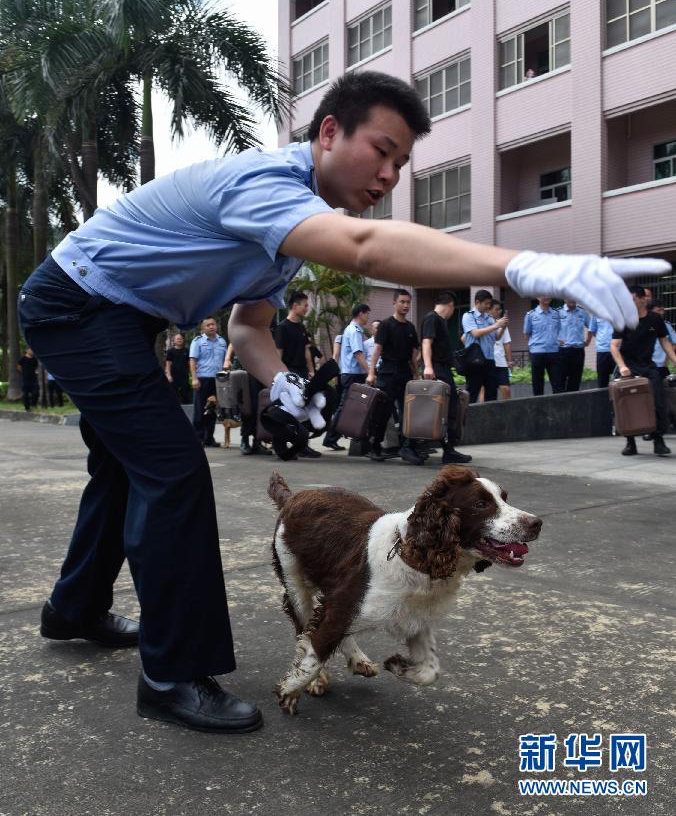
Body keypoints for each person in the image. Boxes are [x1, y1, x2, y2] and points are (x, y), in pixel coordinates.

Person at [17, 69, 666, 735]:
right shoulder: (265, 184)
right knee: (173, 471)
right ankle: (172, 674)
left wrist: (283, 384)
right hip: (80, 306)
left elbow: (250, 326)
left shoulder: (290, 231)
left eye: (401, 162)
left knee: (126, 468)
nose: (388, 174)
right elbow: (363, 247)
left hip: (122, 318)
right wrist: (526, 265)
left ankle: (76, 609)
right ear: (329, 132)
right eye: (381, 151)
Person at [611, 286, 676, 457]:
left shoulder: (655, 319)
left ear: (642, 300)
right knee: (628, 405)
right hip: (628, 367)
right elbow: (614, 346)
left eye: (632, 300)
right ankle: (630, 443)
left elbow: (664, 341)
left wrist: (675, 361)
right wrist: (622, 366)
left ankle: (658, 441)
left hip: (648, 366)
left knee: (658, 403)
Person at [366, 289, 424, 464]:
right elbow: (377, 350)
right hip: (388, 373)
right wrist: (371, 372)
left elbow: (414, 355)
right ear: (395, 303)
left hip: (405, 373)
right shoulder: (386, 325)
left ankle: (407, 447)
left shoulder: (410, 327)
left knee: (409, 412)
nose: (406, 305)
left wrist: (416, 375)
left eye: (408, 302)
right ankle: (375, 446)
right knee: (383, 412)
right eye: (402, 302)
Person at [421, 291, 472, 464]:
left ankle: (448, 449)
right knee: (442, 410)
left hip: (443, 369)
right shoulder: (432, 318)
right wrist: (428, 366)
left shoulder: (440, 321)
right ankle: (445, 449)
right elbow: (426, 342)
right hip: (436, 369)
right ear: (451, 305)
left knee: (450, 409)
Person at [274, 291, 320, 458]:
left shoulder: (301, 327)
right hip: (288, 373)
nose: (307, 308)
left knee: (305, 410)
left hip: (302, 373)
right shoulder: (282, 328)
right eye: (305, 305)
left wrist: (311, 371)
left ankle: (302, 445)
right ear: (295, 306)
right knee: (287, 411)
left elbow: (307, 351)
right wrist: (281, 376)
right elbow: (278, 354)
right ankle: (282, 447)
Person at [323, 302, 370, 450]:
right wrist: (369, 371)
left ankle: (332, 437)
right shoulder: (355, 330)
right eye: (367, 313)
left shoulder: (349, 329)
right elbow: (358, 353)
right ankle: (330, 438)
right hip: (353, 375)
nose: (368, 317)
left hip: (349, 374)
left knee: (345, 407)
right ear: (361, 313)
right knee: (344, 407)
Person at [461, 289, 506, 403]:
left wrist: (503, 326)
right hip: (475, 360)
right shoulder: (468, 316)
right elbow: (475, 333)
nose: (488, 306)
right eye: (486, 303)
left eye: (489, 303)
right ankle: (466, 418)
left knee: (491, 393)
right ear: (477, 302)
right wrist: (496, 325)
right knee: (472, 393)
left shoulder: (489, 318)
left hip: (490, 360)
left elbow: (497, 337)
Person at [189, 317, 228, 447]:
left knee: (212, 410)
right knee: (200, 410)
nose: (211, 327)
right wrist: (194, 378)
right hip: (202, 379)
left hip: (218, 380)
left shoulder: (222, 342)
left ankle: (209, 438)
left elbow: (225, 361)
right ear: (203, 328)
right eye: (208, 325)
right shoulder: (197, 341)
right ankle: (198, 438)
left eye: (213, 324)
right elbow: (192, 361)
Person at [524, 297, 564, 396]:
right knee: (538, 385)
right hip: (537, 353)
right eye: (543, 294)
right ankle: (539, 409)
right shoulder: (531, 315)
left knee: (558, 384)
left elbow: (558, 330)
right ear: (537, 297)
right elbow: (527, 334)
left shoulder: (556, 314)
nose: (546, 297)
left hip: (554, 352)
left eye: (548, 294)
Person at [557, 299, 592, 392]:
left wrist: (588, 341)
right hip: (563, 351)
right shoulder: (558, 312)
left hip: (578, 351)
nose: (572, 300)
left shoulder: (582, 312)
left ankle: (573, 405)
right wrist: (556, 341)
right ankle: (561, 404)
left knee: (575, 381)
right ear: (564, 299)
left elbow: (592, 327)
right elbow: (550, 328)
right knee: (560, 380)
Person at [489, 299, 513, 400]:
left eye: (500, 309)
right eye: (496, 309)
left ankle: (508, 413)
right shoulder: (483, 323)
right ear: (489, 310)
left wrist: (510, 361)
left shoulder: (503, 324)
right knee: (486, 391)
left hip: (501, 362)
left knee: (506, 389)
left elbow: (507, 344)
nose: (499, 311)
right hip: (488, 361)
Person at [648, 300, 676, 379]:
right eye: (658, 310)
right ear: (650, 311)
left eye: (662, 310)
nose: (661, 313)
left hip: (662, 365)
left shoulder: (666, 325)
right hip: (647, 365)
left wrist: (668, 358)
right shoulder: (643, 325)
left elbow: (674, 342)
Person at [588, 315, 615, 389]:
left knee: (619, 380)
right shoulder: (596, 312)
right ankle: (603, 400)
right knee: (602, 381)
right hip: (602, 351)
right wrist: (602, 340)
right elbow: (593, 331)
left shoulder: (618, 310)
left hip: (617, 351)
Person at [164, 333, 191, 403]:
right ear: (174, 341)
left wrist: (193, 374)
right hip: (173, 375)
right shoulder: (170, 351)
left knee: (185, 392)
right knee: (173, 394)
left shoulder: (186, 350)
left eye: (181, 339)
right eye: (178, 339)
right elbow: (168, 364)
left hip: (184, 375)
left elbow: (190, 363)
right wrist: (168, 375)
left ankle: (187, 409)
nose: (180, 340)